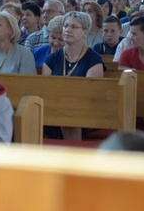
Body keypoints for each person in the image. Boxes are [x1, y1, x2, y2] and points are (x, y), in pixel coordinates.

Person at [43, 11, 104, 140]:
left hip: (85, 112)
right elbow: (46, 90)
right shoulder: (51, 59)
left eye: (74, 27)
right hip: (55, 109)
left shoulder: (93, 59)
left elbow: (91, 95)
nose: (67, 30)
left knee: (69, 113)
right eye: (65, 26)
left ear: (85, 32)